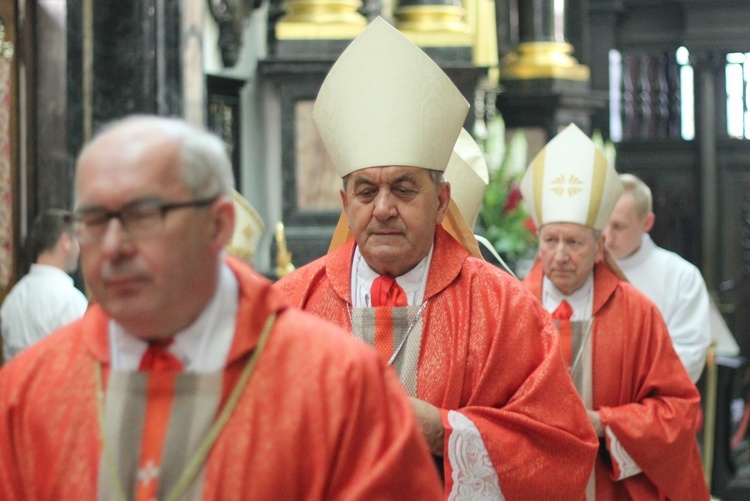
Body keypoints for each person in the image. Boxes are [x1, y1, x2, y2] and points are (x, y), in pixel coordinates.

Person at [0, 115, 444, 499]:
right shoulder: (27, 392)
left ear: (218, 224)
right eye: (94, 220)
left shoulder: (339, 385)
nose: (113, 246)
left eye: (144, 215)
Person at [275, 17, 598, 499]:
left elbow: (561, 449)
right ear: (345, 203)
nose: (383, 208)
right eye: (366, 191)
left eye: (403, 189)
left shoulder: (503, 308)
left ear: (442, 200)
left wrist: (443, 431)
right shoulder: (288, 306)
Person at [520, 124, 709, 499]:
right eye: (551, 240)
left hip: (611, 485)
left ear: (599, 245)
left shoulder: (636, 312)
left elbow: (677, 411)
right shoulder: (511, 308)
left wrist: (604, 423)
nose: (560, 254)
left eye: (573, 242)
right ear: (538, 241)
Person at [604, 173, 711, 383]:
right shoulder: (582, 271)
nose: (607, 235)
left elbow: (689, 354)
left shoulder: (681, 276)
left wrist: (626, 384)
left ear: (647, 222)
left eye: (618, 226)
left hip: (650, 405)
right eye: (603, 225)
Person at [1, 209, 88, 362]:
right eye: (76, 240)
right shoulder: (71, 301)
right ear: (65, 242)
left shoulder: (13, 299)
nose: (79, 249)